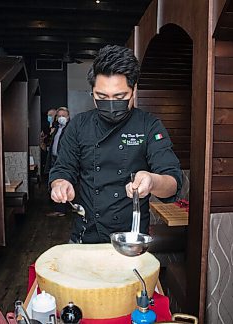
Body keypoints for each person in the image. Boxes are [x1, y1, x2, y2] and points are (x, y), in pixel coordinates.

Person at [49, 45, 182, 243]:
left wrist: (152, 181)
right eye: (102, 97)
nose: (111, 104)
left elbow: (172, 182)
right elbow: (63, 168)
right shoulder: (78, 125)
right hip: (85, 236)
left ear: (134, 89)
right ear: (92, 92)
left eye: (119, 97)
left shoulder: (149, 126)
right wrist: (60, 184)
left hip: (131, 240)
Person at [45, 107, 71, 217]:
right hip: (54, 159)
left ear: (68, 117)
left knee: (60, 182)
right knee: (54, 183)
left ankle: (60, 210)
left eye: (63, 116)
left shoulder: (70, 129)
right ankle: (59, 208)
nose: (61, 118)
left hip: (63, 160)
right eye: (59, 116)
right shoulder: (57, 129)